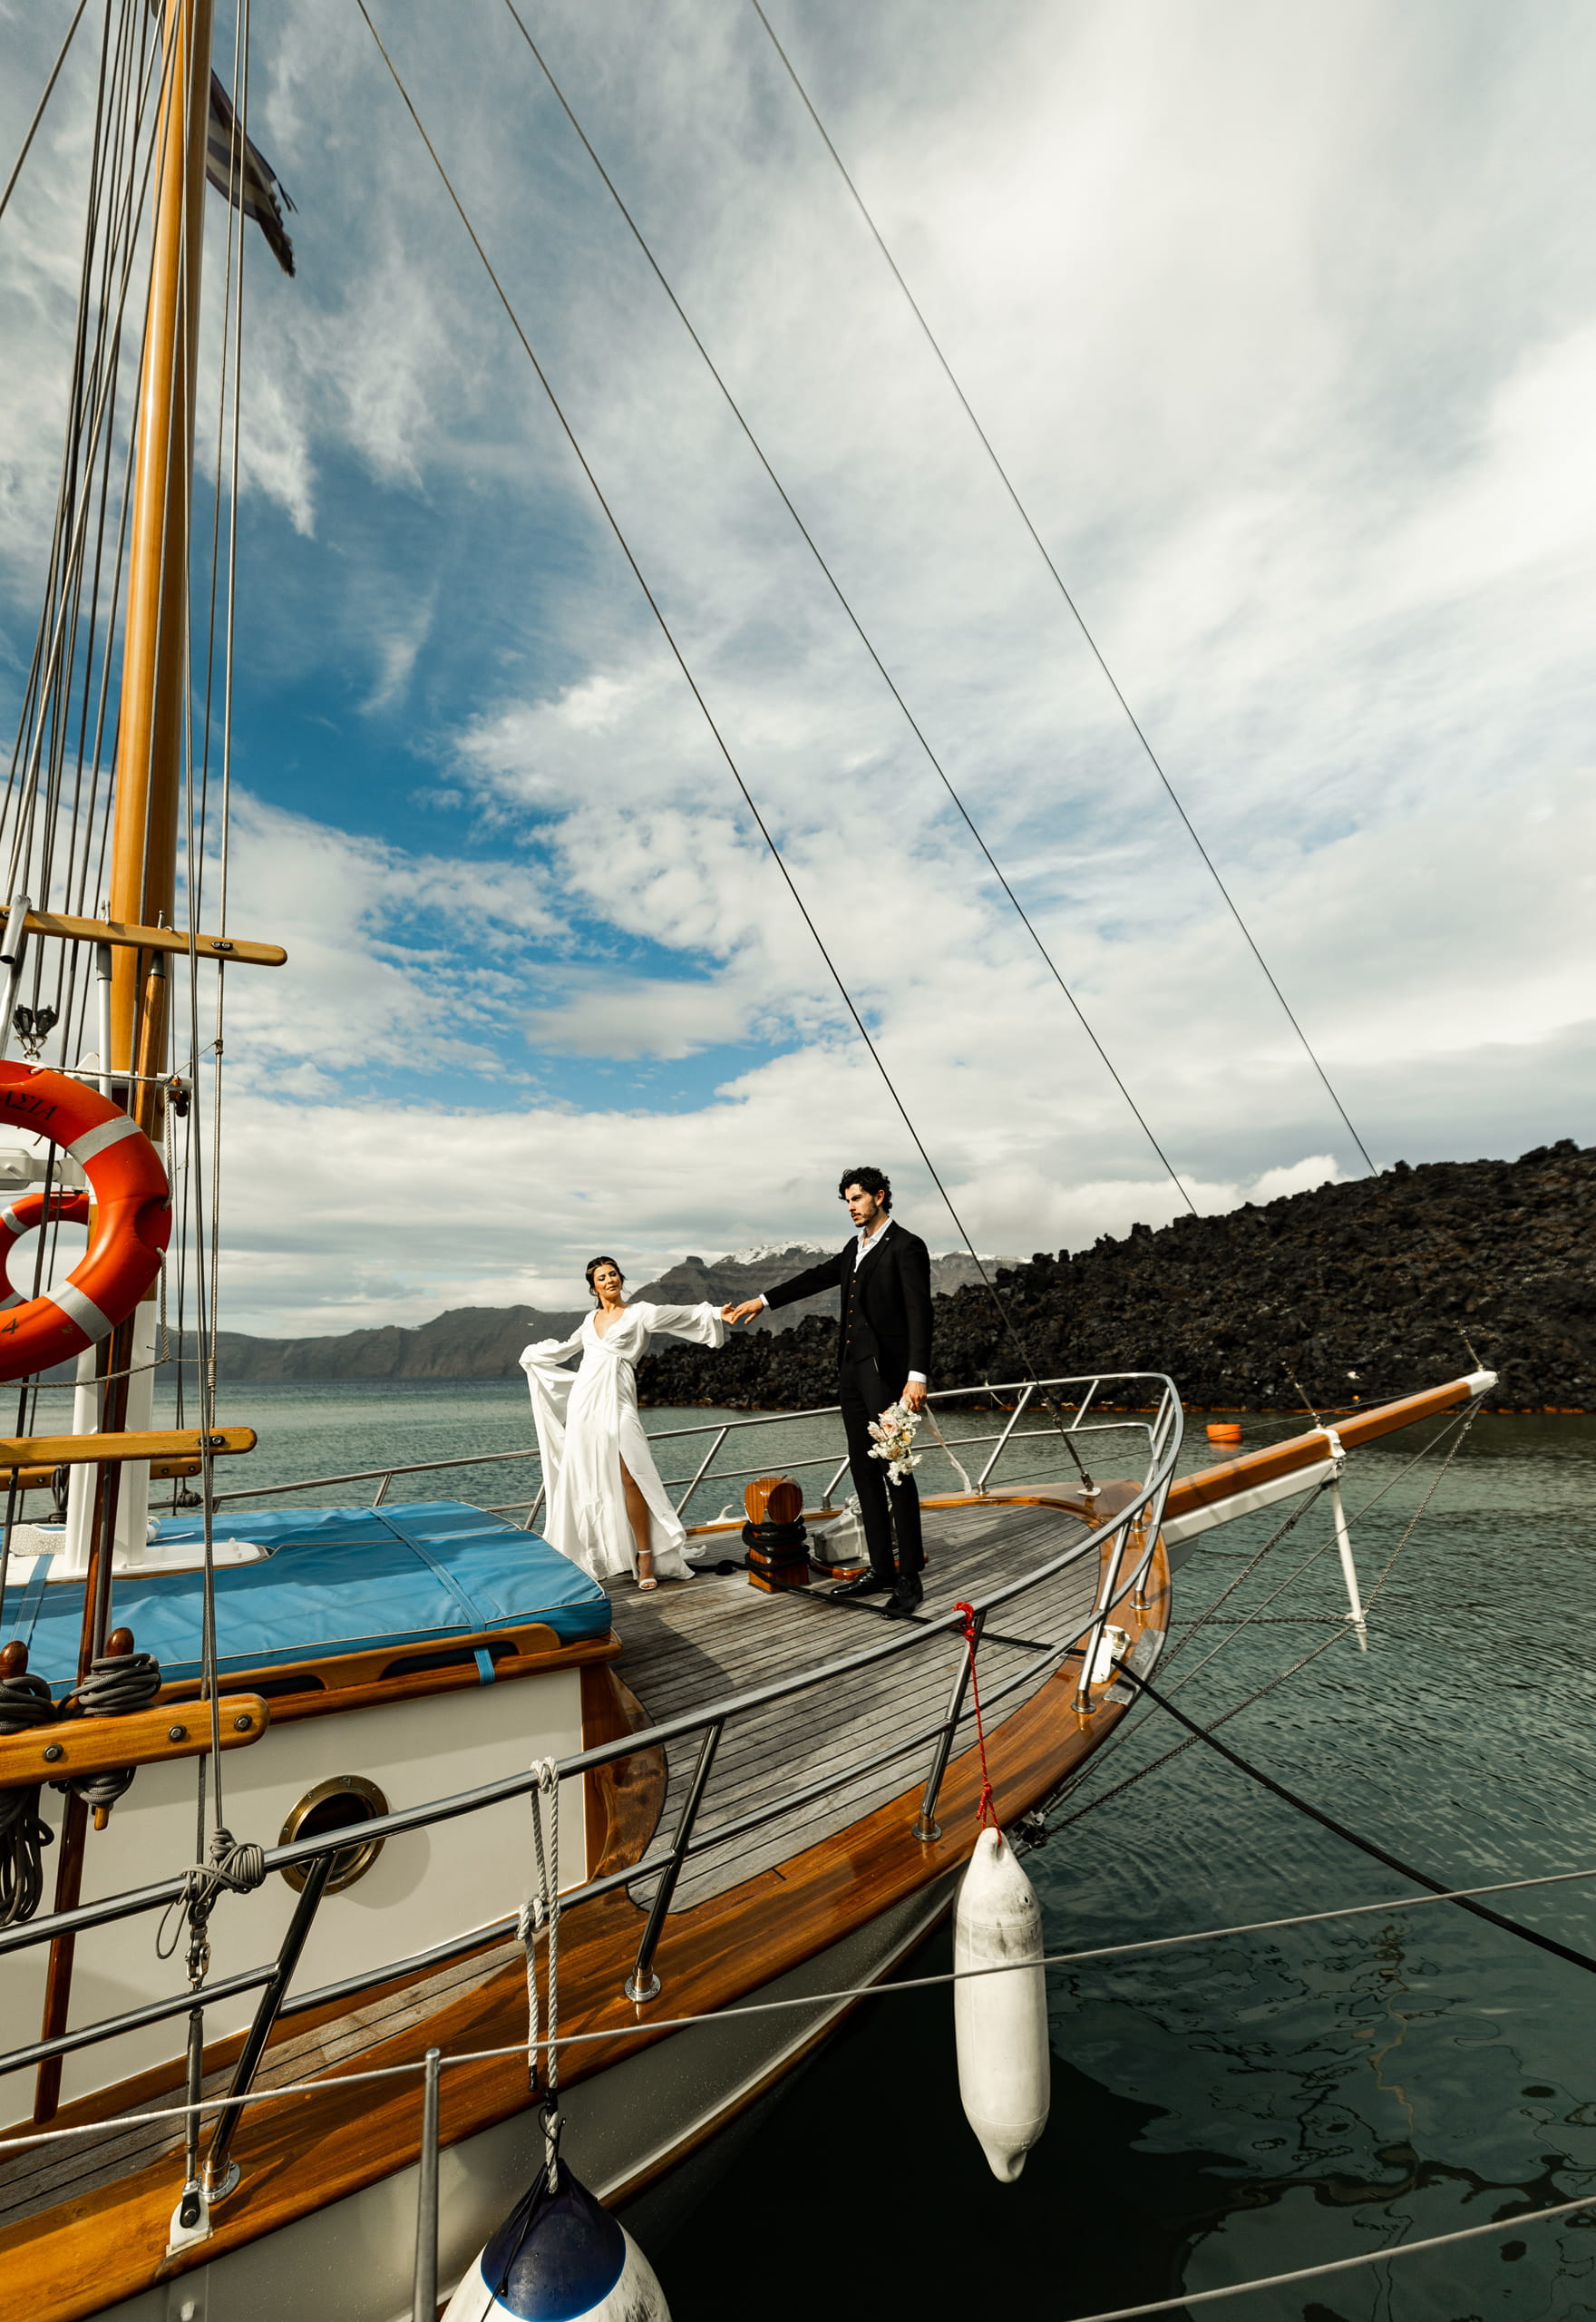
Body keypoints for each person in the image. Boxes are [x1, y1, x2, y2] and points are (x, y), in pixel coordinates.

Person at [725, 1166, 931, 1616]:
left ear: (880, 1196)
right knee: (863, 1470)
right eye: (847, 1201)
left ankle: (909, 1576)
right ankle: (881, 1569)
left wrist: (918, 1375)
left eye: (857, 1198)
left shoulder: (906, 1246)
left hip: (887, 1377)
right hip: (852, 1375)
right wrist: (762, 1301)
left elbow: (921, 1313)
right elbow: (813, 1279)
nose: (852, 1207)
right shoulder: (852, 1249)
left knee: (897, 1472)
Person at [521, 1257, 740, 1591]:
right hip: (585, 1403)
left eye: (613, 1274)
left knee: (632, 1476)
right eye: (601, 1277)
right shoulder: (589, 1319)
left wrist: (714, 1313)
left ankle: (646, 1555)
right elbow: (566, 1349)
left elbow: (680, 1314)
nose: (609, 1280)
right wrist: (534, 1354)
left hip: (619, 1401)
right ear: (592, 1287)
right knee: (587, 1478)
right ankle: (600, 1552)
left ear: (621, 1279)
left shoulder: (640, 1313)